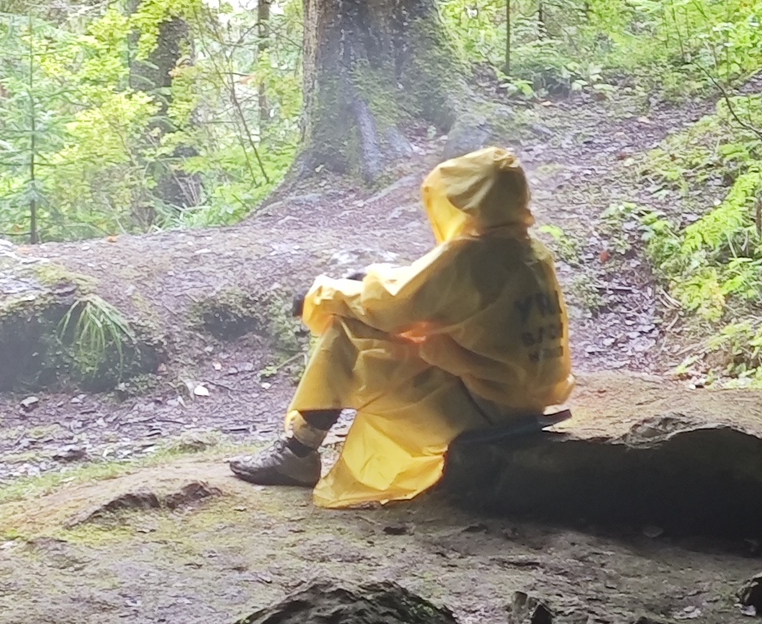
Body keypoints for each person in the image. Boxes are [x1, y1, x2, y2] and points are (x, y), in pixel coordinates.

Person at [229, 144, 572, 507]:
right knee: (397, 330)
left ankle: (297, 452)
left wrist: (321, 294)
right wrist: (368, 280)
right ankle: (299, 450)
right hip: (525, 403)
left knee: (349, 328)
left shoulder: (469, 257)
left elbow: (390, 307)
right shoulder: (531, 252)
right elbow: (422, 287)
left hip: (481, 408)